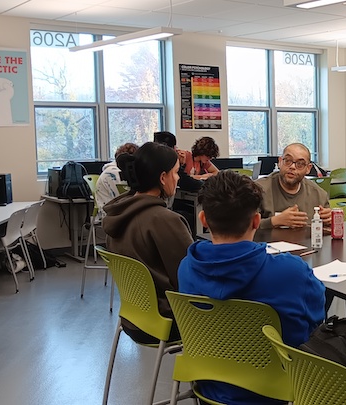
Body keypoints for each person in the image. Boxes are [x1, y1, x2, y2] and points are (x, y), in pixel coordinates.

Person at [178, 171, 325, 405]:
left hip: (210, 386)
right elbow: (317, 319)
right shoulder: (291, 271)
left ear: (203, 220)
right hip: (278, 389)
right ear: (256, 221)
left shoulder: (187, 268)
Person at [102, 142, 194, 344]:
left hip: (134, 317)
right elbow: (190, 279)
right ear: (163, 178)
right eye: (176, 173)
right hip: (167, 321)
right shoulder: (164, 220)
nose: (178, 179)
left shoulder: (116, 214)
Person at [254, 143, 331, 229]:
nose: (292, 167)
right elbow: (242, 227)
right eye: (287, 161)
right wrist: (274, 221)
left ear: (308, 168)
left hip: (306, 242)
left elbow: (327, 229)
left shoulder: (319, 195)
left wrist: (330, 220)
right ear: (280, 162)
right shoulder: (258, 190)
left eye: (300, 164)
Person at [95, 142, 138, 220]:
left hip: (117, 213)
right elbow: (125, 200)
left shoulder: (112, 171)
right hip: (114, 216)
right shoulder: (112, 174)